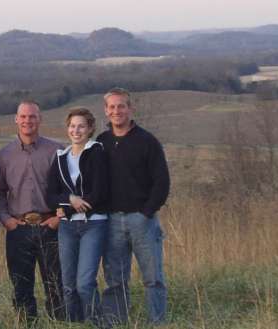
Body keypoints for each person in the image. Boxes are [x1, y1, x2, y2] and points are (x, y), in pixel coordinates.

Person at [97, 87, 170, 326]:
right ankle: (116, 322)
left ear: (130, 109)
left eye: (121, 106)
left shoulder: (147, 141)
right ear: (106, 111)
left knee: (153, 278)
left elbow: (162, 181)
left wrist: (146, 212)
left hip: (142, 220)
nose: (116, 111)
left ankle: (156, 322)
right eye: (112, 107)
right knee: (114, 280)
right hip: (111, 222)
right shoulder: (101, 142)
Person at [0, 100, 65, 322]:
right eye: (23, 117)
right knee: (21, 285)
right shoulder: (4, 155)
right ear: (16, 119)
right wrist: (6, 220)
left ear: (40, 119)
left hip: (50, 226)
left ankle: (60, 323)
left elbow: (69, 189)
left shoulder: (57, 151)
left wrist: (58, 218)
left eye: (32, 116)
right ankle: (27, 324)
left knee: (56, 284)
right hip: (18, 228)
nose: (27, 121)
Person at [47, 107, 108, 325]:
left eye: (81, 126)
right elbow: (50, 195)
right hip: (67, 228)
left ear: (90, 128)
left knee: (85, 283)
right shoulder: (61, 157)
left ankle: (96, 322)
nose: (76, 130)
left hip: (94, 225)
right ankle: (74, 324)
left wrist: (69, 208)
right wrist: (70, 200)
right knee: (68, 285)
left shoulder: (97, 152)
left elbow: (99, 194)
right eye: (72, 126)